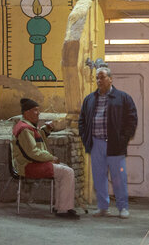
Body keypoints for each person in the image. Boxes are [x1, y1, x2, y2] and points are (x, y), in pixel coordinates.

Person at [79, 66, 138, 218]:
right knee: (99, 177)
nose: (99, 81)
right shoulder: (90, 99)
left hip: (115, 144)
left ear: (111, 79)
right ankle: (103, 207)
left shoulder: (123, 98)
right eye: (97, 78)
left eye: (102, 77)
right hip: (96, 143)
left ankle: (123, 208)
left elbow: (132, 119)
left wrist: (124, 138)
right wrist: (86, 137)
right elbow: (82, 121)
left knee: (119, 178)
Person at [12, 98, 79, 219]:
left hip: (31, 163)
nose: (38, 113)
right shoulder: (24, 129)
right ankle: (63, 209)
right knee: (67, 172)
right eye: (35, 110)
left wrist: (47, 130)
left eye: (38, 110)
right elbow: (32, 152)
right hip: (28, 166)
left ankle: (60, 206)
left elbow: (37, 137)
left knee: (64, 170)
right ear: (26, 112)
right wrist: (50, 157)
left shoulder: (28, 126)